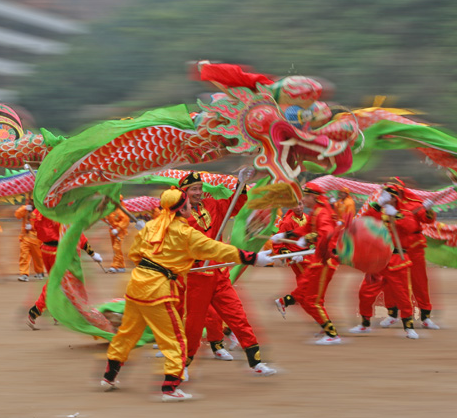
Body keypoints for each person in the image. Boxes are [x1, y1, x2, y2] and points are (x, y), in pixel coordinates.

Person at [99, 188, 274, 402]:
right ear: (181, 209)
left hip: (137, 286)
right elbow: (216, 249)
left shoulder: (152, 226)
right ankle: (170, 388)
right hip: (158, 291)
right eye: (188, 205)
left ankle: (109, 377)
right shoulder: (185, 233)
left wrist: (157, 257)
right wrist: (253, 258)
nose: (192, 206)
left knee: (127, 334)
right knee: (175, 340)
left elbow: (135, 254)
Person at [181, 170, 277, 374]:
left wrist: (241, 184)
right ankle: (182, 365)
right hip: (197, 275)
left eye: (199, 188)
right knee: (194, 325)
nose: (198, 193)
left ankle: (255, 362)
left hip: (219, 272)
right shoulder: (179, 218)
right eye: (193, 190)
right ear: (184, 193)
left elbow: (236, 204)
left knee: (237, 315)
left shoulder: (212, 205)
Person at [273, 182, 342, 345]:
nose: (302, 201)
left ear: (312, 197)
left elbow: (324, 234)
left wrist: (309, 238)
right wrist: (284, 234)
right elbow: (305, 230)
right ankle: (326, 329)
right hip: (315, 260)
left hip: (324, 260)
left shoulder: (322, 213)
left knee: (309, 298)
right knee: (308, 295)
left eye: (304, 197)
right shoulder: (317, 211)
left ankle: (332, 334)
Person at [349, 183, 420, 339]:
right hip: (378, 261)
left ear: (396, 198)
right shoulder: (378, 213)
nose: (388, 198)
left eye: (391, 196)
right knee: (365, 292)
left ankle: (408, 327)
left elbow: (411, 226)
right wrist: (378, 204)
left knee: (402, 295)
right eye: (385, 195)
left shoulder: (404, 213)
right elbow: (365, 220)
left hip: (397, 260)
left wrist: (396, 214)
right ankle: (364, 324)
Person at [374, 178, 440, 330]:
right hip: (393, 251)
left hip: (414, 248)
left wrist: (429, 210)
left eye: (393, 191)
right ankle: (392, 314)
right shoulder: (381, 206)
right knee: (390, 283)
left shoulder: (414, 204)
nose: (390, 195)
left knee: (420, 282)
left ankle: (425, 317)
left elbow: (420, 222)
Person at [26, 211, 103, 329]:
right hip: (59, 252)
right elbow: (76, 234)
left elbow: (35, 228)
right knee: (55, 282)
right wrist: (92, 253)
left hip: (46, 249)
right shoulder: (62, 213)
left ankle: (56, 313)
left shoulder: (38, 211)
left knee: (57, 283)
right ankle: (36, 310)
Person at [270, 200, 311, 316]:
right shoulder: (287, 222)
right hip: (297, 258)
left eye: (300, 204)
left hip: (307, 255)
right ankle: (286, 301)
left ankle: (296, 299)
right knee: (311, 281)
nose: (298, 207)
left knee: (306, 281)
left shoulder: (307, 218)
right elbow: (278, 244)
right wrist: (290, 255)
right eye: (294, 205)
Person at [14, 198, 45, 282]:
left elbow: (42, 223)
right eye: (31, 201)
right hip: (25, 237)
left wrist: (32, 227)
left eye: (33, 201)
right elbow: (17, 215)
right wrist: (25, 209)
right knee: (24, 255)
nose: (32, 203)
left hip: (36, 238)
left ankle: (39, 271)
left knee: (38, 256)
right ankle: (24, 274)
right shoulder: (26, 209)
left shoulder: (40, 210)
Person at [104, 196, 130, 273]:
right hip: (112, 232)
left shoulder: (122, 210)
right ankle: (121, 266)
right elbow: (107, 218)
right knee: (116, 249)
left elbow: (125, 221)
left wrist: (118, 229)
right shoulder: (111, 210)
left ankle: (115, 266)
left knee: (116, 248)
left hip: (120, 232)